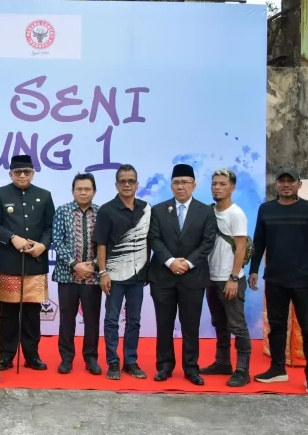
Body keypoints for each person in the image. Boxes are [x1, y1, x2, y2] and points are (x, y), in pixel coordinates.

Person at [148, 163, 217, 386]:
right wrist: (170, 261)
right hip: (163, 277)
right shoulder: (158, 210)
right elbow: (154, 239)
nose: (181, 187)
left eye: (185, 182)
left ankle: (191, 368)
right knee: (164, 323)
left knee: (190, 325)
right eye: (176, 183)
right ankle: (164, 366)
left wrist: (187, 263)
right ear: (171, 186)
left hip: (192, 277)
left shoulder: (206, 211)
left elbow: (208, 242)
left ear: (194, 185)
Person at [250, 167, 308, 395]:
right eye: (282, 181)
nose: (286, 185)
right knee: (276, 326)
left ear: (299, 185)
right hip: (275, 278)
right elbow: (259, 241)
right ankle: (277, 369)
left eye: (291, 181)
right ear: (276, 185)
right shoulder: (266, 209)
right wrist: (254, 269)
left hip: (304, 280)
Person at [0, 154, 54, 371]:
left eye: (27, 172)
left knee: (32, 314)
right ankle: (6, 355)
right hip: (7, 262)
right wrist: (12, 238)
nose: (22, 175)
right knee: (7, 313)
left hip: (34, 263)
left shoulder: (44, 196)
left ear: (33, 173)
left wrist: (43, 246)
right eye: (18, 172)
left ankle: (32, 355)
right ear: (11, 174)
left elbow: (49, 227)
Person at [94, 164, 150, 381]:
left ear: (137, 184)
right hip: (114, 276)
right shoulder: (107, 210)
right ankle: (113, 362)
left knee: (134, 320)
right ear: (116, 184)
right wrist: (103, 272)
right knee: (112, 320)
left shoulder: (146, 209)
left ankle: (131, 361)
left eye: (131, 181)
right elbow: (101, 245)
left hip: (138, 276)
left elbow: (149, 241)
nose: (127, 184)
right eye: (123, 181)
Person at [200, 169, 252, 387]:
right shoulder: (209, 211)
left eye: (222, 184)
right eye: (214, 184)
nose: (217, 188)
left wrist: (233, 277)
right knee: (219, 322)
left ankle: (242, 370)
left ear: (232, 187)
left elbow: (240, 247)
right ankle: (222, 362)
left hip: (229, 278)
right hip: (211, 277)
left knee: (237, 325)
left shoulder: (236, 214)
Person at [51, 172, 102, 376]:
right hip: (67, 275)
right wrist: (75, 264)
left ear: (94, 191)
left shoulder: (101, 213)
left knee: (92, 319)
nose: (83, 192)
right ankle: (66, 358)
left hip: (93, 275)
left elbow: (106, 243)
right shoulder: (62, 211)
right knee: (67, 319)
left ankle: (91, 358)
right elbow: (57, 240)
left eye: (87, 189)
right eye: (79, 189)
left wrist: (93, 265)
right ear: (73, 191)